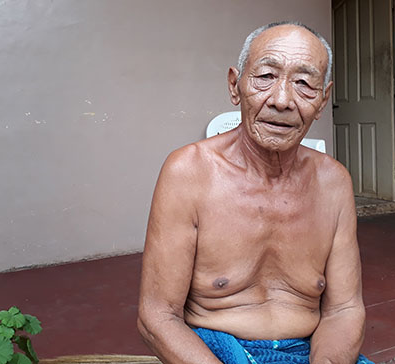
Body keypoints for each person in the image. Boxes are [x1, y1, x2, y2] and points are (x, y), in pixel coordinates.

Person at [137, 21, 373, 364]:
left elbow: (344, 309)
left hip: (310, 353)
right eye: (265, 76)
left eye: (304, 84)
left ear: (322, 101)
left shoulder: (333, 182)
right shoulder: (188, 172)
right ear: (235, 85)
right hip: (215, 350)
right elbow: (157, 317)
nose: (281, 100)